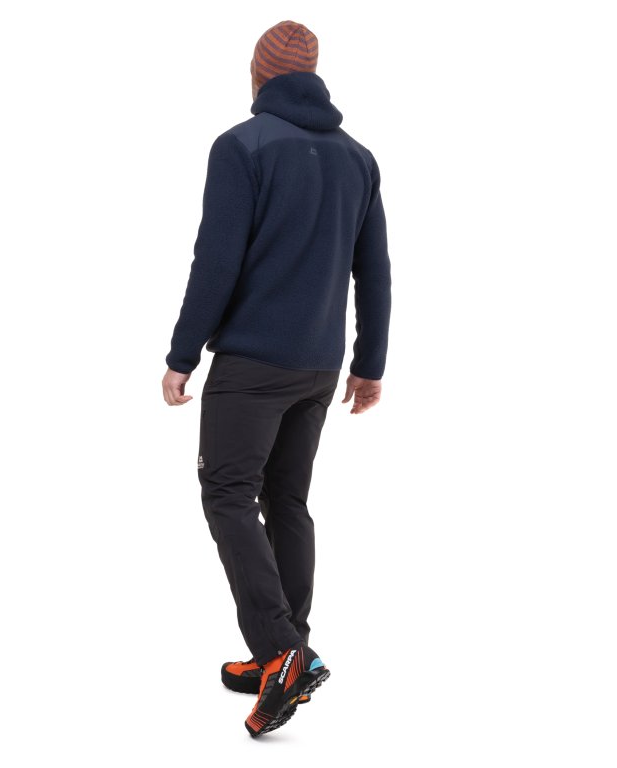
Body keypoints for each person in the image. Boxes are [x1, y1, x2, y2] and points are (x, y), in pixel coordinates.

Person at [161, 20, 392, 737]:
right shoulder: (358, 158)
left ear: (258, 75)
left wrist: (182, 353)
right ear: (313, 76)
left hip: (253, 363)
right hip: (319, 365)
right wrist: (370, 365)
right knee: (286, 499)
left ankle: (282, 652)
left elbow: (216, 260)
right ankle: (288, 656)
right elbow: (374, 270)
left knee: (228, 495)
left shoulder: (242, 146)